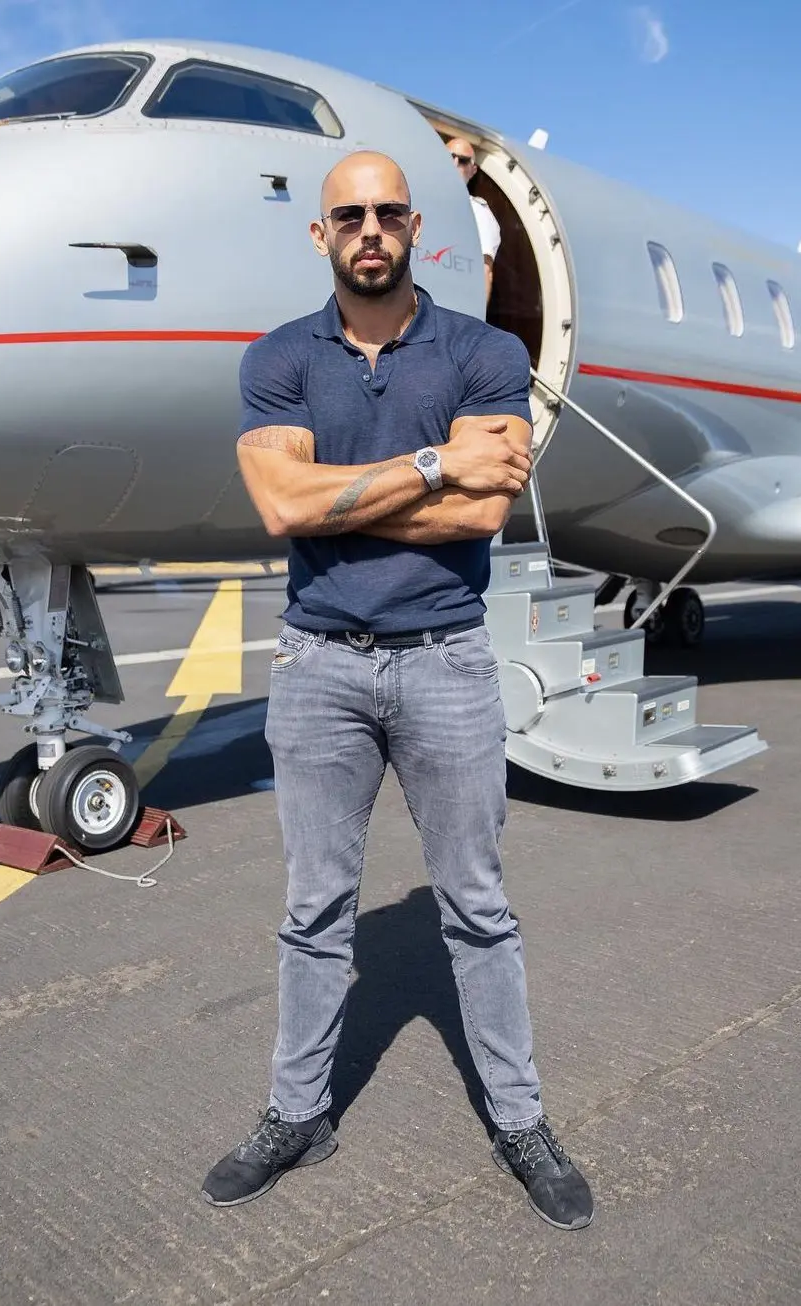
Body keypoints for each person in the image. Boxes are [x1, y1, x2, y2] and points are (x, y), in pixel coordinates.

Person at [200, 151, 593, 1232]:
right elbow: (282, 505)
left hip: (446, 661)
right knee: (312, 910)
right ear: (317, 234)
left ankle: (518, 1119)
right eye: (347, 215)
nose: (367, 229)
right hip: (317, 666)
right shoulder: (278, 358)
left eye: (385, 213)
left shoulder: (484, 350)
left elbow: (480, 518)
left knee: (476, 905)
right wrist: (428, 467)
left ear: (416, 227)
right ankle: (296, 1113)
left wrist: (340, 495)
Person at [447, 136, 500, 305]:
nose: (454, 164)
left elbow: (484, 271)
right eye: (449, 157)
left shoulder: (479, 212)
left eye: (463, 161)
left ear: (473, 170)